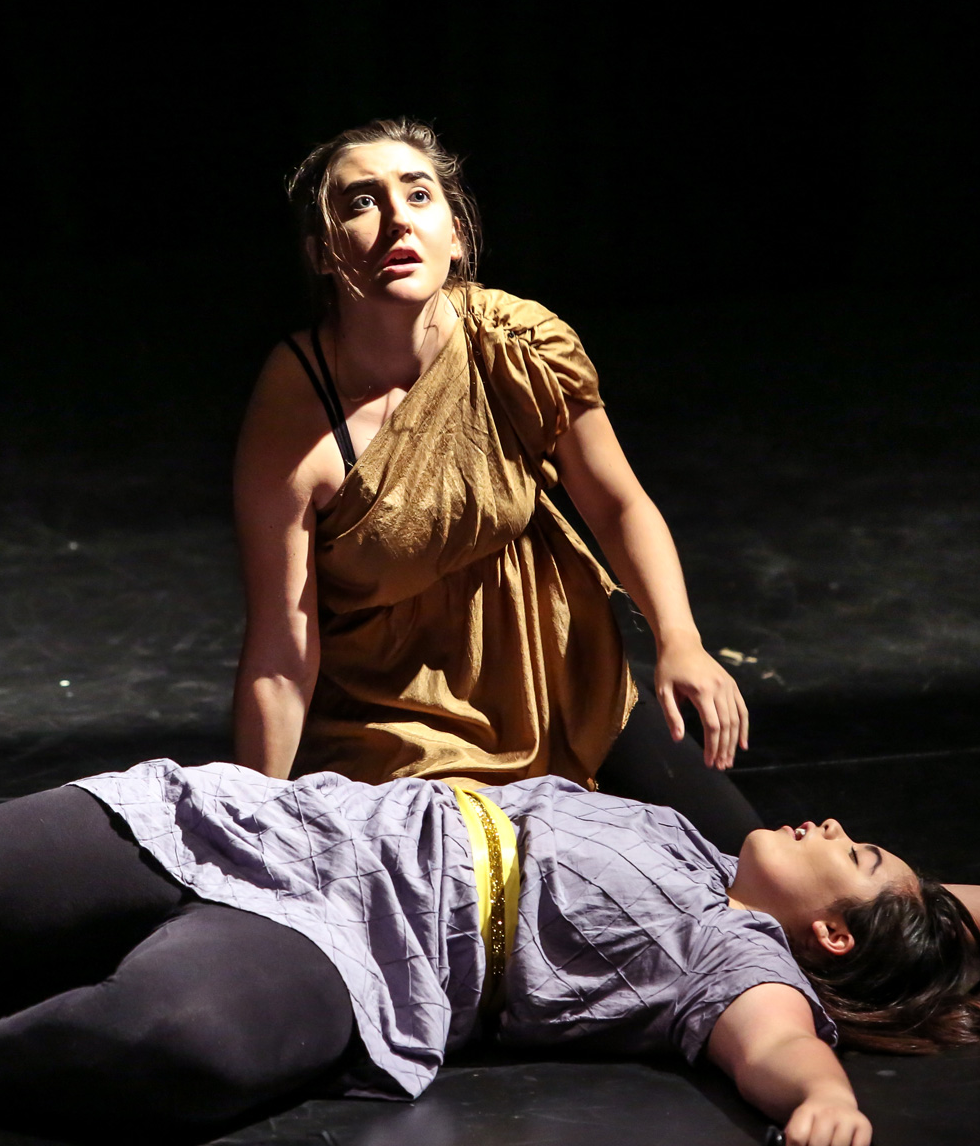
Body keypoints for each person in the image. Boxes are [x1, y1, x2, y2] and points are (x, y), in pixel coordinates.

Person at [0, 761, 980, 1146]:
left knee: (177, 1059)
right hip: (267, 824)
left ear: (826, 929)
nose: (837, 820)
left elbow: (785, 1042)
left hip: (344, 949)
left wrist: (822, 1100)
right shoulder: (705, 840)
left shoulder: (726, 962)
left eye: (856, 850)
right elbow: (937, 900)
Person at [233, 117, 758, 851]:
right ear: (322, 254)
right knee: (494, 907)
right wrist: (251, 817)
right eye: (361, 202)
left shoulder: (518, 346)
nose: (395, 221)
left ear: (456, 233)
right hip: (398, 725)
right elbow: (283, 653)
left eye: (418, 196)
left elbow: (617, 503)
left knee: (758, 867)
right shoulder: (297, 407)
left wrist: (680, 639)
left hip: (565, 682)